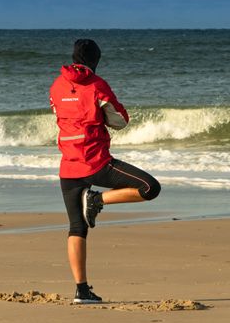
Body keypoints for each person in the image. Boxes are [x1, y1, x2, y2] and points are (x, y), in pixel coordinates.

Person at [49, 38, 161, 304]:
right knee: (150, 188)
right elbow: (119, 121)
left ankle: (81, 290)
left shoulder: (56, 85)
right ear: (95, 62)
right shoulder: (98, 86)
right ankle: (97, 199)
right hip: (97, 164)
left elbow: (59, 111)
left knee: (77, 226)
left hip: (68, 167)